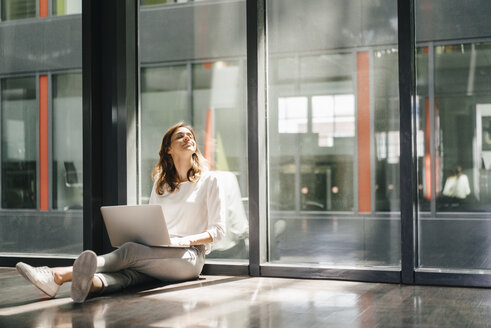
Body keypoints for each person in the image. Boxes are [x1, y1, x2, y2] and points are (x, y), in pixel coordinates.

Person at [15, 122, 226, 303]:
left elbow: (218, 231)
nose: (188, 137)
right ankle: (90, 286)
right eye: (180, 136)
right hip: (159, 252)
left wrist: (185, 241)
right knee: (129, 275)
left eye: (190, 135)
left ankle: (56, 276)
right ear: (168, 149)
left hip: (189, 258)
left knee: (130, 251)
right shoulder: (161, 185)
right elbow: (154, 222)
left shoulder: (210, 180)